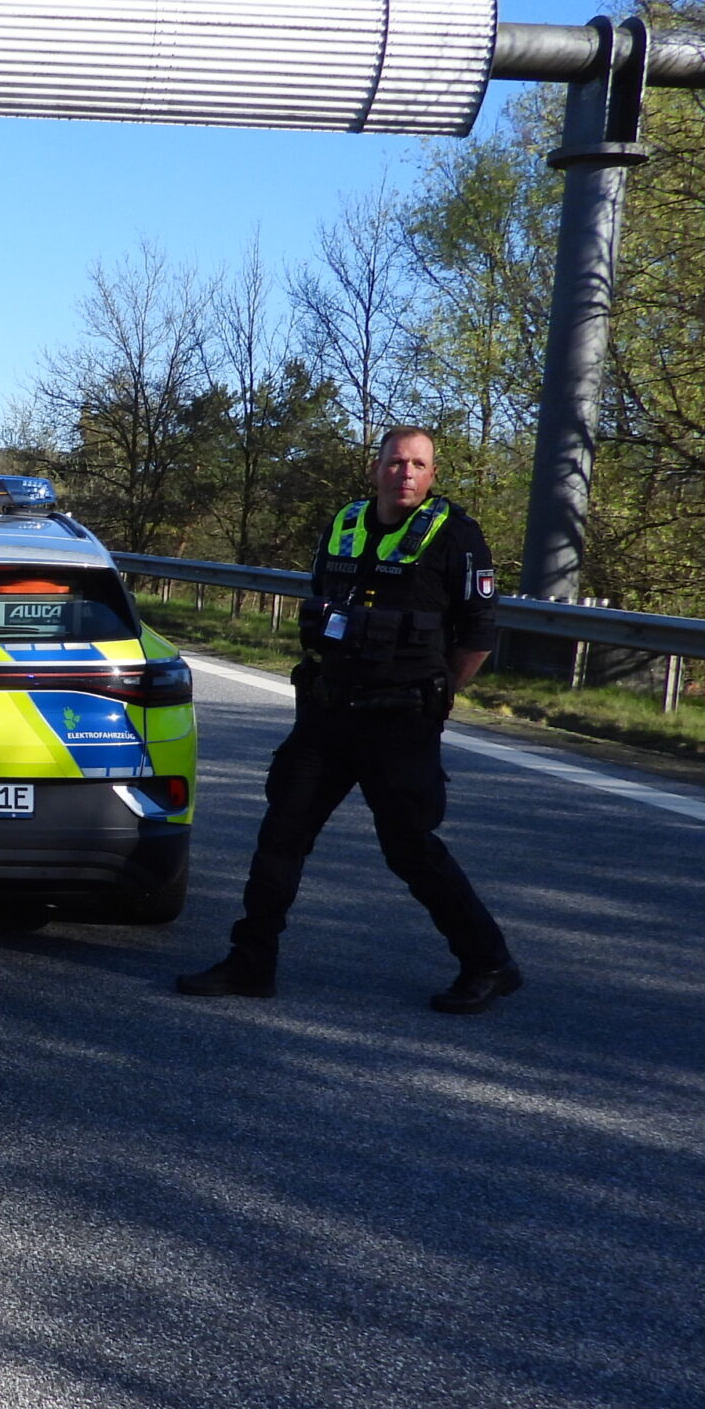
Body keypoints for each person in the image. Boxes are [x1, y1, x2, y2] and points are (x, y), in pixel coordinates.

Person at [177, 425, 520, 1014]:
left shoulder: (456, 536)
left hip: (400, 722)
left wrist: (435, 694)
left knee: (409, 848)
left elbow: (478, 636)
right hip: (328, 714)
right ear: (376, 468)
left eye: (418, 465)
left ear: (432, 473)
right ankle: (251, 961)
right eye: (395, 463)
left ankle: (488, 962)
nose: (405, 474)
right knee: (281, 835)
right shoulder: (345, 523)